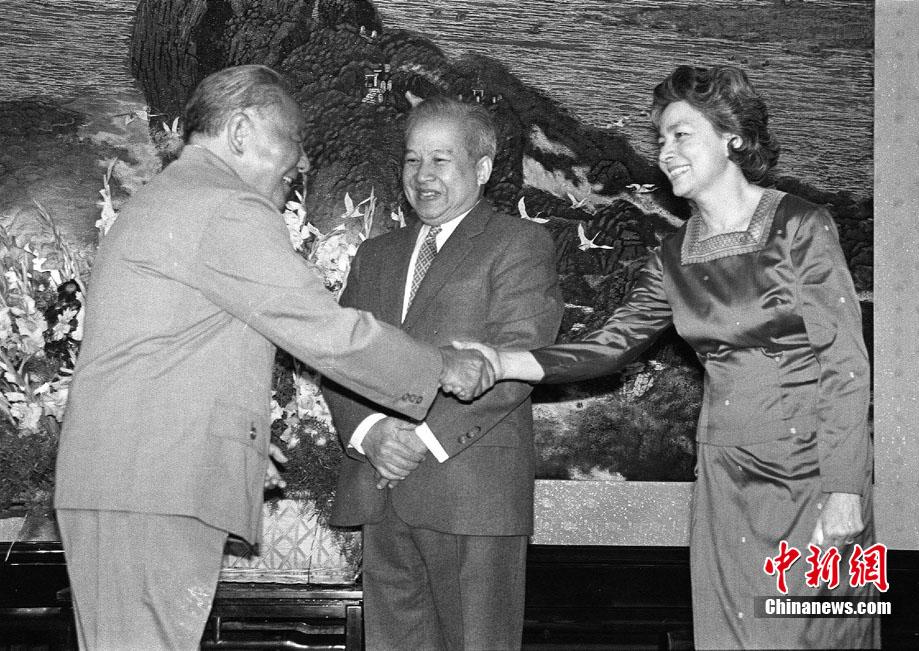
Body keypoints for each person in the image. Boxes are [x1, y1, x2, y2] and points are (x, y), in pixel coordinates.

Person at [53, 65, 489, 650]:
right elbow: (321, 328)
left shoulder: (174, 196)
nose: (301, 162)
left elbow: (178, 349)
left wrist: (239, 443)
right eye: (292, 140)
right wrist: (440, 367)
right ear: (240, 131)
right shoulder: (223, 205)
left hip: (136, 481)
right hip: (150, 489)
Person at [454, 65, 877, 650]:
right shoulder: (672, 256)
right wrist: (502, 362)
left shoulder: (800, 226)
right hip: (725, 476)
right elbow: (609, 346)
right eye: (660, 139)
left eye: (681, 135)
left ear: (732, 138)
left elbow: (846, 366)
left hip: (812, 473)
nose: (665, 152)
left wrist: (846, 489)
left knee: (818, 636)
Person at [320, 96, 563, 651]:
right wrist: (370, 435)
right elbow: (336, 357)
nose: (422, 175)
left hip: (472, 497)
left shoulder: (520, 243)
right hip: (380, 491)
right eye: (412, 160)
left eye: (440, 160)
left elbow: (519, 358)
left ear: (483, 167)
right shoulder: (375, 255)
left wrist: (420, 439)